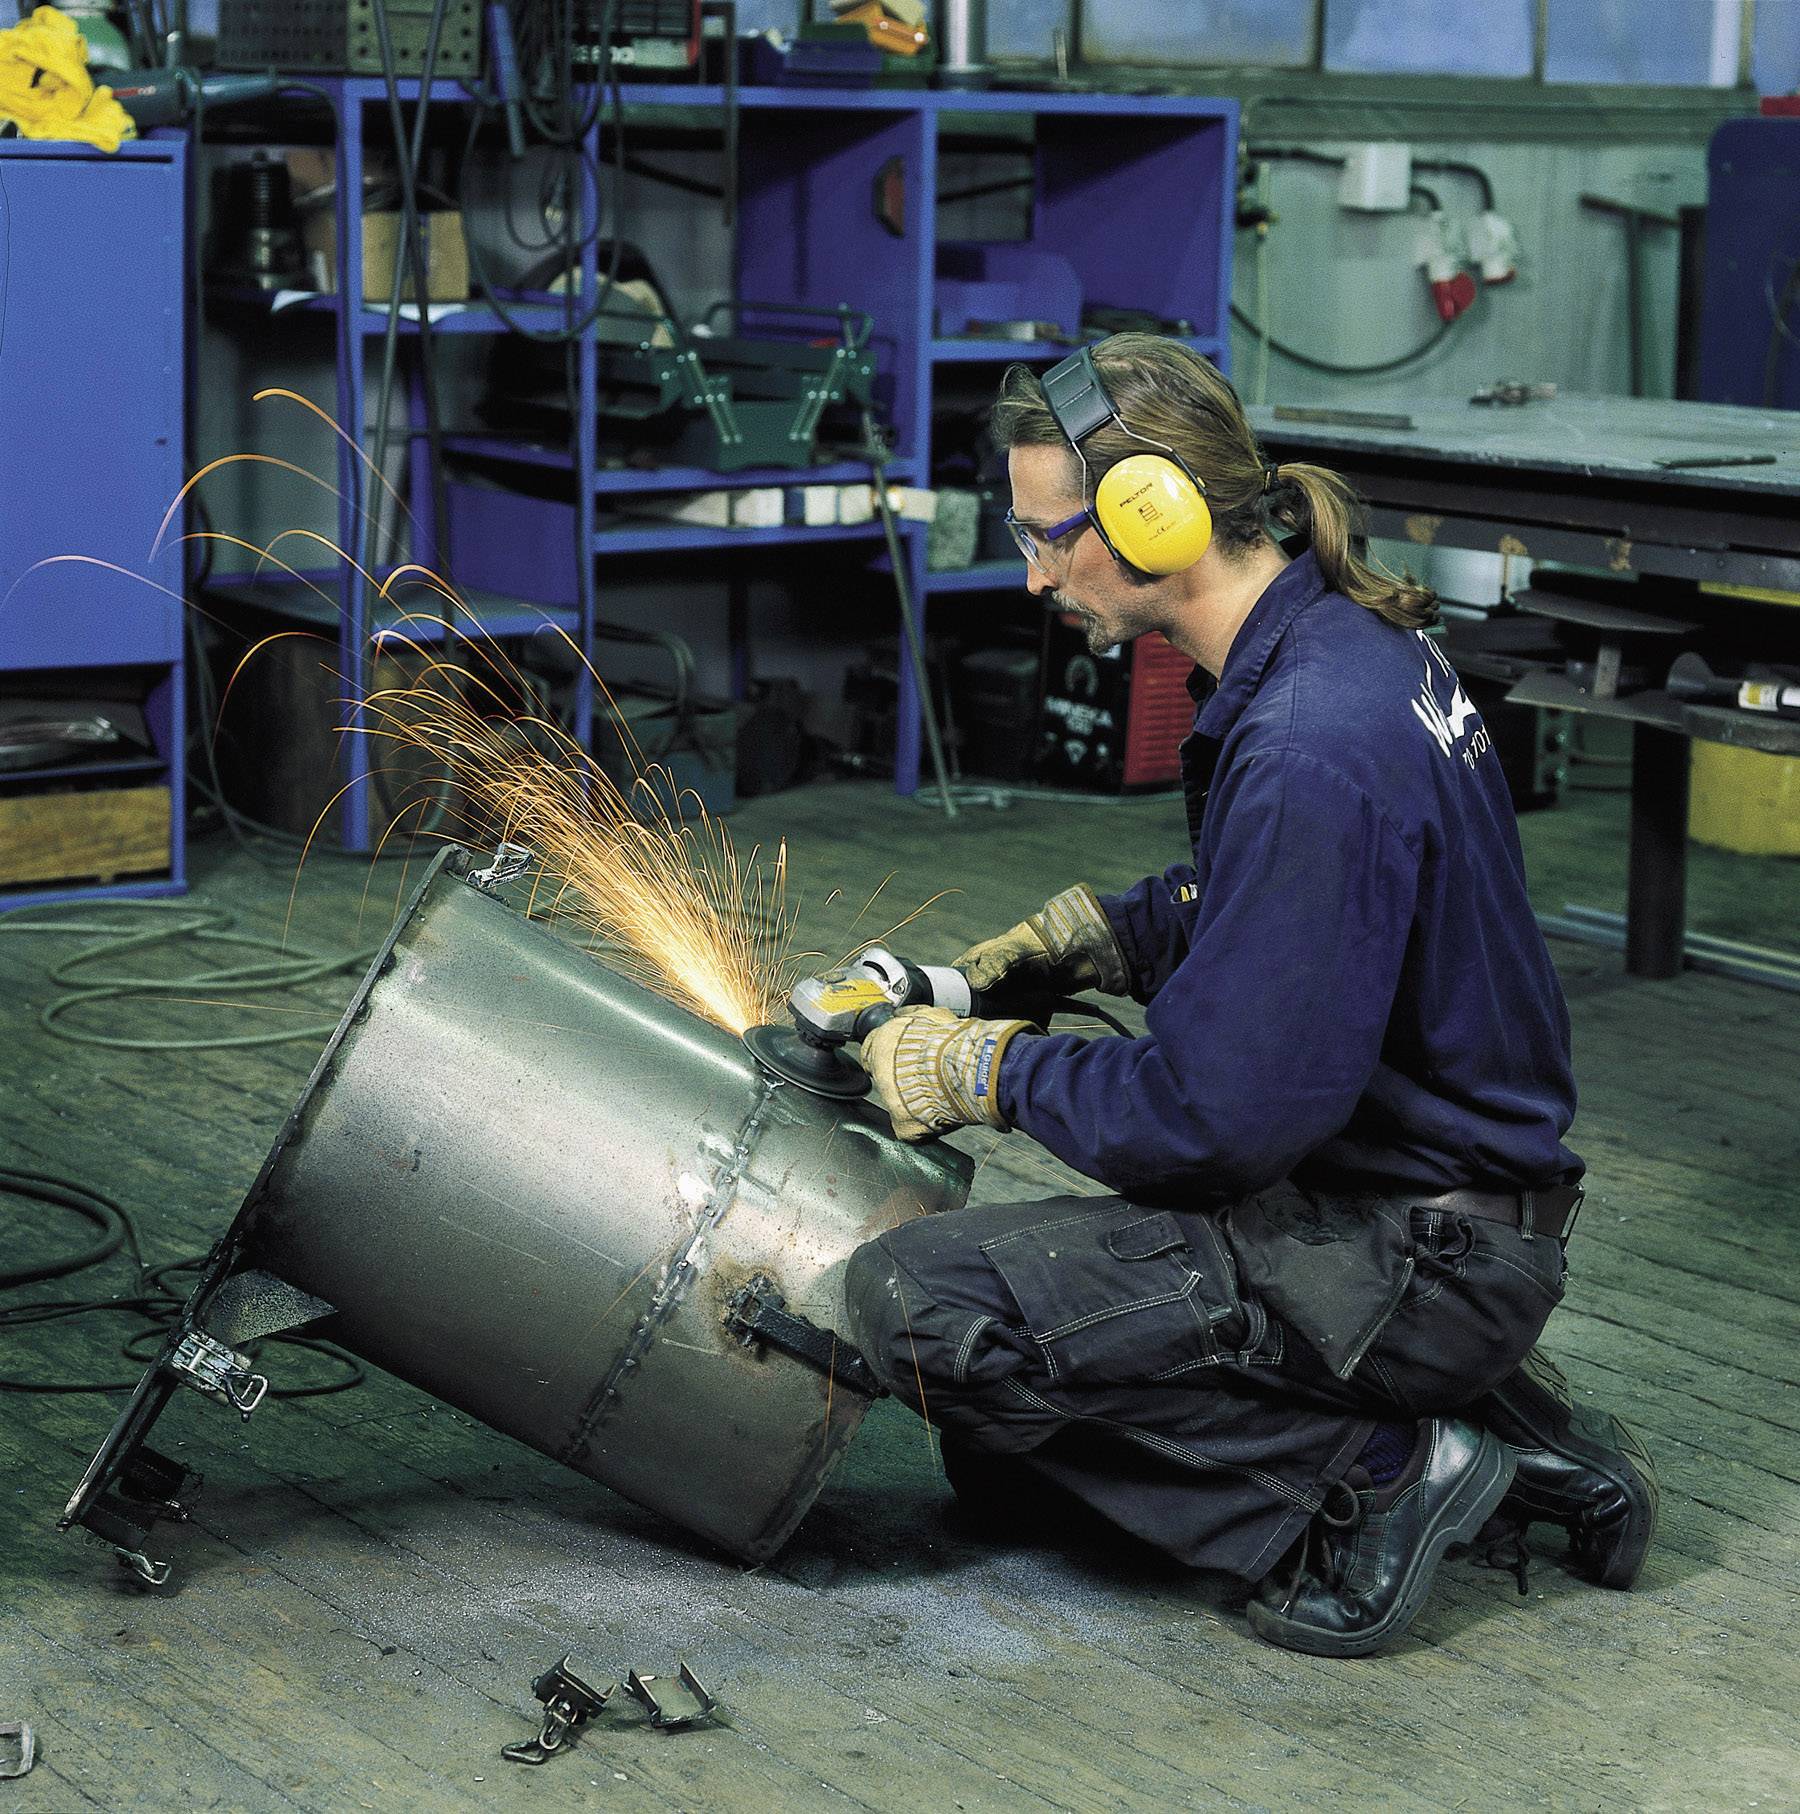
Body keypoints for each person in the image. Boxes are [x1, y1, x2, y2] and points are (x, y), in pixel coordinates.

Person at [840, 334, 1657, 1658]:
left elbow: (1210, 1116)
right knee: (1004, 1469)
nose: (1035, 571)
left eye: (1049, 536)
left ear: (1153, 516)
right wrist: (1089, 939)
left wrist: (978, 1069)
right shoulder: (1337, 653)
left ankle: (1390, 1466)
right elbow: (1300, 923)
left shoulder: (1306, 744)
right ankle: (1516, 1440)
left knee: (921, 1312)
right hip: (1451, 1214)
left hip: (1398, 1258)